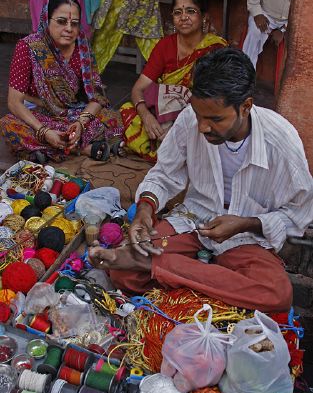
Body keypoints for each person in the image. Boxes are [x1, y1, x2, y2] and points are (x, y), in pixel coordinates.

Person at [89, 48, 313, 313]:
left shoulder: (281, 140)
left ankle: (164, 269)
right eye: (199, 115)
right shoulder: (189, 121)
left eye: (215, 119)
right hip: (194, 222)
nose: (203, 127)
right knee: (122, 275)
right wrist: (145, 211)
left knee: (276, 294)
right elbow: (164, 175)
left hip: (248, 239)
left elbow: (300, 214)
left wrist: (247, 223)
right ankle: (210, 281)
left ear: (246, 106)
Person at [0, 0, 123, 163]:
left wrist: (80, 124)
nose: (69, 29)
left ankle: (49, 148)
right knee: (8, 124)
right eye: (61, 21)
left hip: (74, 113)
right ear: (46, 19)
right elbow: (14, 102)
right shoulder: (28, 47)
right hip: (40, 113)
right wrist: (44, 131)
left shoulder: (82, 47)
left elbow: (97, 97)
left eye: (74, 23)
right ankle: (83, 148)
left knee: (114, 117)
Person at [120, 0, 227, 161]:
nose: (183, 17)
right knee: (129, 112)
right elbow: (138, 88)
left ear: (204, 17)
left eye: (190, 11)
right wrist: (146, 116)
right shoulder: (165, 46)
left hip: (198, 113)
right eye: (177, 12)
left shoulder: (216, 49)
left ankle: (169, 149)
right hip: (166, 112)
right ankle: (171, 148)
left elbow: (221, 96)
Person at [242, 0, 294, 68]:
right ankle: (245, 75)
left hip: (291, 19)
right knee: (254, 32)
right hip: (264, 12)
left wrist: (284, 29)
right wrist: (257, 12)